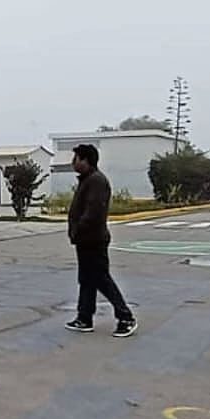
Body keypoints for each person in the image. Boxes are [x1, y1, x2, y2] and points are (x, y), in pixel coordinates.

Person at [64, 143, 137, 337]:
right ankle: (84, 317)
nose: (73, 163)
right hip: (84, 240)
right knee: (86, 279)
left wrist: (78, 229)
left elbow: (93, 213)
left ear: (86, 161)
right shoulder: (87, 180)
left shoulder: (96, 181)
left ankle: (125, 317)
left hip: (93, 239)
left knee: (101, 279)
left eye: (76, 159)